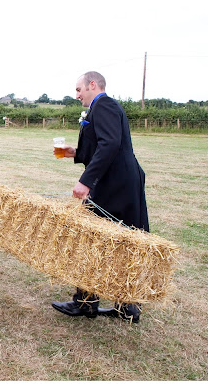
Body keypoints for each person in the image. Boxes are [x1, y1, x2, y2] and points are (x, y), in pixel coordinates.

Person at [51, 71, 149, 323]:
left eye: (79, 89)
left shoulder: (103, 104)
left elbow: (110, 144)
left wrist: (85, 182)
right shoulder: (103, 107)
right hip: (119, 180)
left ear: (92, 85)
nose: (77, 95)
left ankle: (89, 304)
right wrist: (76, 151)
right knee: (116, 239)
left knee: (100, 239)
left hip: (116, 184)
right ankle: (121, 306)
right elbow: (103, 144)